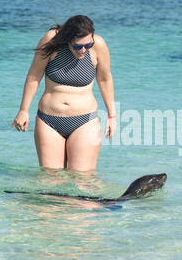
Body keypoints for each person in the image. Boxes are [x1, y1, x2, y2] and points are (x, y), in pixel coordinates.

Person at [11, 15, 116, 172]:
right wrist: (23, 110)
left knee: (83, 179)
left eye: (88, 45)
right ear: (68, 39)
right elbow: (34, 75)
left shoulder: (98, 45)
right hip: (49, 122)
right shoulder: (51, 41)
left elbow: (105, 79)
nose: (83, 50)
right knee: (50, 180)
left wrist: (112, 115)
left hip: (85, 122)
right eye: (78, 46)